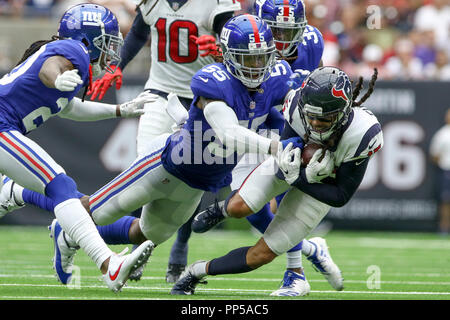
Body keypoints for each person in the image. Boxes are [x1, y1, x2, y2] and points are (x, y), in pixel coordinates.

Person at [1, 14, 303, 289]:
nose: (256, 67)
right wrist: (275, 147)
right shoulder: (213, 80)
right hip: (165, 164)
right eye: (247, 59)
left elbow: (292, 105)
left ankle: (62, 231)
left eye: (261, 58)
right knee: (88, 207)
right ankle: (96, 254)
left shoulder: (275, 77)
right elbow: (227, 132)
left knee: (147, 234)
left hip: (198, 183)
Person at [170, 66, 384, 296]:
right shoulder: (295, 107)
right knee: (239, 206)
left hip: (324, 186)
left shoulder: (362, 133)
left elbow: (341, 196)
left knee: (260, 255)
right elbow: (284, 157)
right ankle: (223, 209)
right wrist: (294, 171)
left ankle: (196, 271)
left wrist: (301, 180)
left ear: (343, 112)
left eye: (324, 119)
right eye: (310, 116)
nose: (314, 124)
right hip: (295, 168)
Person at [0, 3, 156, 292]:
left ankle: (10, 192)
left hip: (5, 127)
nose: (112, 50)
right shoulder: (75, 51)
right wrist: (57, 77)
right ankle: (109, 264)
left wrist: (118, 110)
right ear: (89, 38)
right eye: (109, 41)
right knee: (61, 186)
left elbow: (68, 107)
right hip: (1, 126)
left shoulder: (69, 53)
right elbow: (51, 68)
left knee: (59, 188)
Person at [86, 0, 241, 283]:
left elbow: (235, 46)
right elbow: (138, 33)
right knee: (143, 171)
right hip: (159, 93)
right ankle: (137, 249)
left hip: (205, 98)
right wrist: (117, 65)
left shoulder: (215, 4)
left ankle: (179, 250)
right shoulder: (154, 2)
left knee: (186, 177)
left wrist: (219, 50)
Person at [190, 0, 329, 296]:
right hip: (257, 122)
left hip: (289, 122)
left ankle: (295, 273)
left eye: (290, 32)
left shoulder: (311, 43)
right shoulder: (243, 41)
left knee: (286, 191)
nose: (282, 39)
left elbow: (310, 84)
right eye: (276, 30)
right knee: (250, 209)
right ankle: (308, 249)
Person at [429, 108, 450, 235]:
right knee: (445, 201)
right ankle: (444, 227)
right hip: (446, 170)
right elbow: (435, 155)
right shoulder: (442, 134)